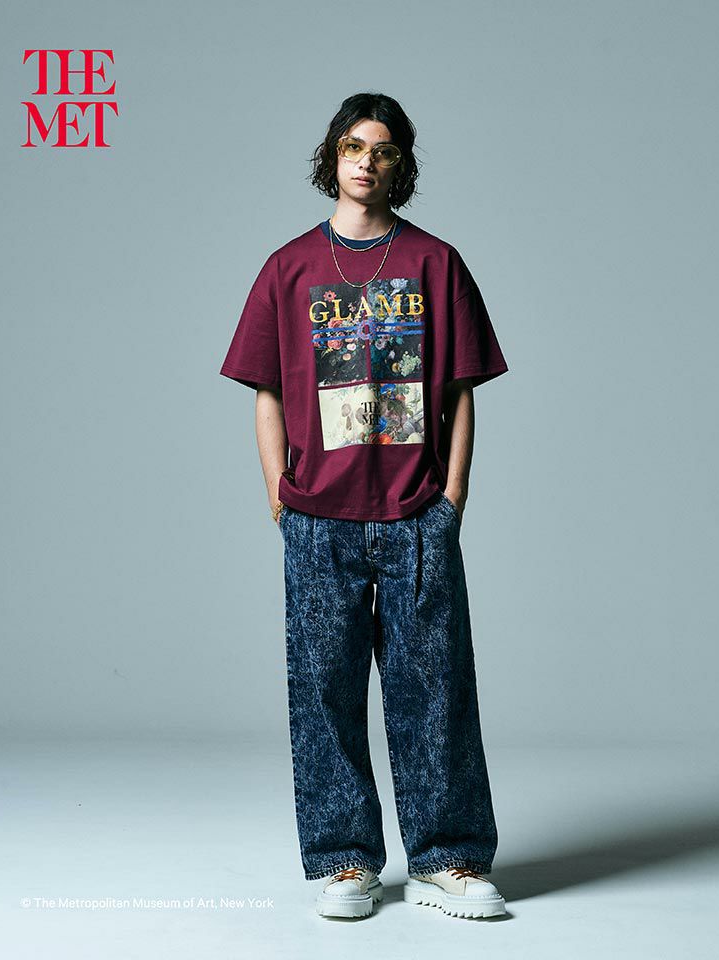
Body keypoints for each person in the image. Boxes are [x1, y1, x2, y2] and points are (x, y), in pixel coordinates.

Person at [219, 92, 509, 920]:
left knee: (436, 690)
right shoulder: (288, 269)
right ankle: (345, 862)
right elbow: (267, 393)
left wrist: (453, 497)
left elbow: (460, 391)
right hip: (319, 519)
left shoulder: (436, 263)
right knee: (325, 694)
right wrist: (280, 497)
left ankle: (448, 859)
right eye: (352, 146)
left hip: (416, 516)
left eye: (382, 149)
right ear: (332, 156)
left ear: (400, 165)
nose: (366, 161)